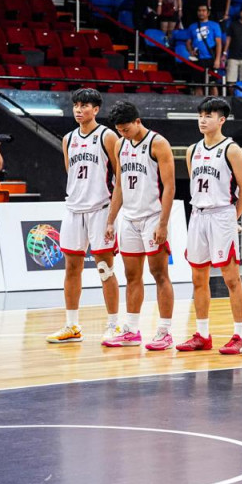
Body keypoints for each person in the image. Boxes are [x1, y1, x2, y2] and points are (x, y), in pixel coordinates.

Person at [46, 89, 121, 346]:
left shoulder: (108, 136)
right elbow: (71, 171)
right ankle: (72, 325)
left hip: (100, 209)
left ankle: (113, 324)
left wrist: (112, 217)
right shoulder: (68, 139)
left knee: (104, 269)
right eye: (76, 105)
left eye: (84, 105)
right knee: (71, 268)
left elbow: (119, 177)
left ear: (96, 109)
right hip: (73, 209)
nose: (79, 110)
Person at [101, 101, 176, 350]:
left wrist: (163, 224)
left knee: (159, 274)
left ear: (138, 121)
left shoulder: (158, 143)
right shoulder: (120, 144)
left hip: (153, 217)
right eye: (119, 130)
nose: (123, 133)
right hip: (129, 218)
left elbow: (169, 187)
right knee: (131, 276)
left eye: (126, 129)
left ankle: (165, 331)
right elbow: (119, 186)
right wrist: (111, 220)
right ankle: (132, 330)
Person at [182, 98, 242, 354]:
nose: (202, 120)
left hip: (222, 214)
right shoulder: (192, 150)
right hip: (198, 215)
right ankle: (202, 334)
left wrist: (233, 217)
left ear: (222, 120)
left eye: (208, 115)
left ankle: (240, 335)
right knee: (198, 278)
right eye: (200, 115)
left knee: (231, 278)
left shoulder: (231, 150)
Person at [185, 4, 222, 95]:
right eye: (199, 10)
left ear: (208, 13)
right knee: (198, 84)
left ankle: (215, 103)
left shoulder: (214, 25)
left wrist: (217, 59)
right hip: (197, 59)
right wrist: (190, 51)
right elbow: (188, 42)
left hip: (210, 58)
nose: (201, 13)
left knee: (212, 84)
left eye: (203, 10)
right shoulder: (192, 26)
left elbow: (218, 43)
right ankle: (199, 103)